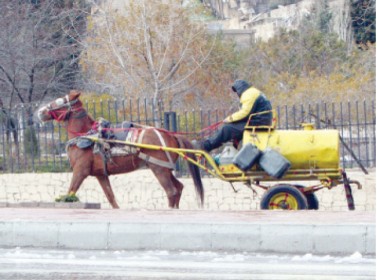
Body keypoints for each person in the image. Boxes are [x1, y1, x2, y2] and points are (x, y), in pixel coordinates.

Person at [193, 79, 272, 152]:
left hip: (257, 122)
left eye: (236, 91)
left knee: (226, 128)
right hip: (261, 120)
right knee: (232, 129)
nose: (237, 94)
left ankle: (206, 146)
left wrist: (229, 119)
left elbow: (244, 113)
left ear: (239, 89)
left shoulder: (248, 94)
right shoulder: (253, 92)